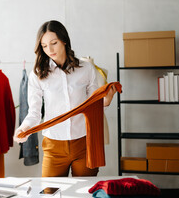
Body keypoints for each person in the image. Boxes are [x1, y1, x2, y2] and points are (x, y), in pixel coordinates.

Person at [13, 20, 116, 177]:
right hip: (53, 147)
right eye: (45, 46)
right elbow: (34, 113)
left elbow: (93, 104)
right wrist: (24, 128)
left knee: (83, 195)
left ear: (64, 40)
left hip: (84, 144)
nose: (50, 49)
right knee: (50, 193)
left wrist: (106, 101)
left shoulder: (86, 68)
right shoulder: (38, 75)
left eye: (54, 43)